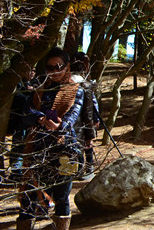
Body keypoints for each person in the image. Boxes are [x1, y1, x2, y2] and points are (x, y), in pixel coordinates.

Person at [17, 47, 83, 230]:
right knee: (29, 197)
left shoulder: (76, 89)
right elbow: (25, 112)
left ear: (67, 66)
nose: (53, 72)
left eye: (57, 67)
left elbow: (73, 114)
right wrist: (39, 117)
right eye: (49, 68)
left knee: (62, 197)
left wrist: (60, 126)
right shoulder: (39, 87)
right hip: (36, 148)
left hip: (65, 149)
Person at [70, 52, 98, 180]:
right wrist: (93, 123)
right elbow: (90, 107)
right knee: (85, 143)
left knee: (80, 144)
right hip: (82, 120)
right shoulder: (84, 85)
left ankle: (83, 168)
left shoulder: (73, 83)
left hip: (77, 120)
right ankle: (85, 168)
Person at [8, 64, 38, 179]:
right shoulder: (17, 83)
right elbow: (17, 99)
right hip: (19, 120)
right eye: (29, 70)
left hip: (32, 120)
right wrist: (28, 93)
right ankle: (15, 171)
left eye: (34, 70)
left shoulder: (36, 83)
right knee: (18, 144)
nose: (32, 73)